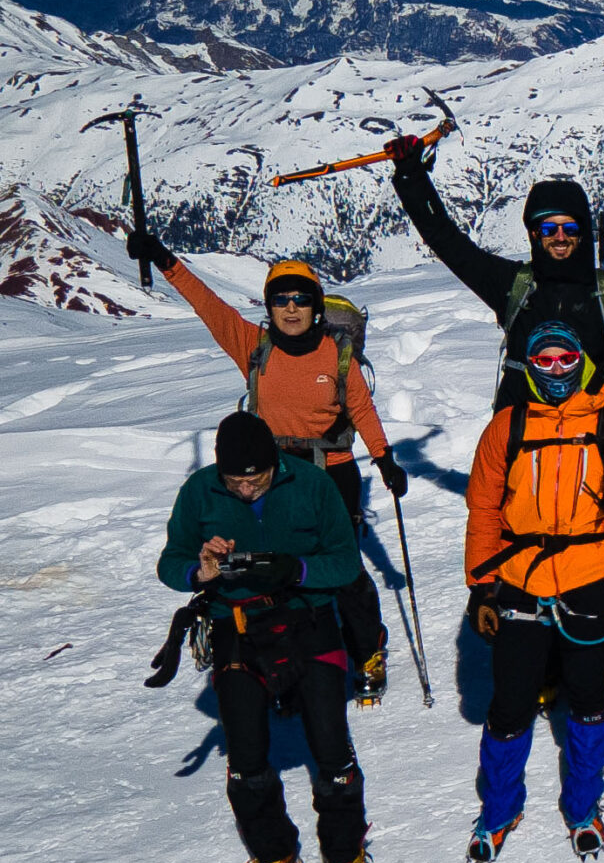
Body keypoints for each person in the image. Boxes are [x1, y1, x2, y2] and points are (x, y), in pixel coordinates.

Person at [126, 233, 404, 704]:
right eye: (281, 299)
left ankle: (366, 650)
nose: (291, 308)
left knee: (342, 569)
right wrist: (165, 260)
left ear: (316, 306)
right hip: (271, 475)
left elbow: (361, 409)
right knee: (275, 566)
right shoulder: (253, 346)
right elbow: (207, 305)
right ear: (269, 306)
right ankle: (286, 656)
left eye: (301, 299)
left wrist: (383, 458)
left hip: (330, 471)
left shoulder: (338, 356)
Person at [153, 412, 369, 863]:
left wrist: (297, 569)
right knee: (247, 758)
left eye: (257, 478)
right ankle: (273, 853)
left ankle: (344, 852)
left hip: (309, 618)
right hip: (237, 625)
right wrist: (199, 570)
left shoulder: (312, 485)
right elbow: (169, 563)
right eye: (236, 481)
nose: (247, 489)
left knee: (332, 748)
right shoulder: (200, 492)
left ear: (275, 464)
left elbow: (346, 562)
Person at [461, 322, 604, 863]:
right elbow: (483, 510)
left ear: (581, 362)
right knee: (510, 705)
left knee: (589, 700)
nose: (554, 373)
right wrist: (481, 588)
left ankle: (584, 805)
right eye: (541, 363)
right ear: (527, 367)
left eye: (564, 360)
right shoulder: (508, 426)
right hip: (519, 577)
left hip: (590, 574)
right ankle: (500, 808)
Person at [386, 145, 604, 411]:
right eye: (548, 228)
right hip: (518, 437)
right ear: (534, 233)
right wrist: (411, 176)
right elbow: (446, 241)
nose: (560, 237)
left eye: (569, 228)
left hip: (588, 437)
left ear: (582, 233)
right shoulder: (513, 286)